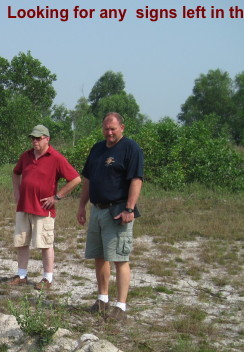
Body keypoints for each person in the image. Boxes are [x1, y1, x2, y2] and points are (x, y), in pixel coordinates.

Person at [76, 112, 144, 322]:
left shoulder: (131, 148)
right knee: (99, 256)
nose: (110, 132)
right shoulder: (97, 149)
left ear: (122, 127)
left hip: (118, 211)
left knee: (119, 258)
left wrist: (129, 209)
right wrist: (82, 206)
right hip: (97, 209)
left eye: (113, 128)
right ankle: (102, 299)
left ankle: (121, 306)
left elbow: (136, 180)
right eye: (106, 128)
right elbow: (87, 179)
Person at [9, 125, 81, 290]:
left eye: (38, 138)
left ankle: (47, 278)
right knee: (21, 241)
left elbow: (75, 179)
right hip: (24, 206)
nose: (35, 141)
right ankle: (21, 275)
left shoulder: (55, 157)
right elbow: (16, 172)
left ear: (47, 139)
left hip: (43, 208)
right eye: (33, 138)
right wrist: (16, 191)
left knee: (45, 243)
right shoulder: (26, 156)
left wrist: (57, 196)